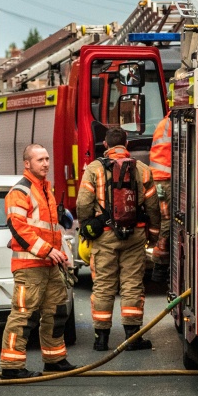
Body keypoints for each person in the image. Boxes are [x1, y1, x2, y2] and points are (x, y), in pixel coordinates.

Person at [77, 126, 160, 352]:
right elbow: (153, 206)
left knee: (103, 285)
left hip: (104, 236)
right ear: (127, 144)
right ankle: (133, 339)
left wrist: (86, 227)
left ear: (105, 144)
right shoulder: (142, 169)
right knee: (132, 285)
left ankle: (101, 339)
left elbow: (83, 202)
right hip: (135, 235)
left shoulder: (94, 169)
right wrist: (153, 236)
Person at [0, 144, 78, 378]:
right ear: (27, 164)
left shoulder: (45, 189)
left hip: (49, 264)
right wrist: (46, 250)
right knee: (24, 316)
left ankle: (54, 360)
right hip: (30, 266)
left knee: (56, 312)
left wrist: (61, 255)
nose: (45, 163)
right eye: (40, 160)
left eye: (47, 159)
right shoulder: (20, 191)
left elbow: (50, 230)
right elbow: (18, 227)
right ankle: (12, 367)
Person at [148, 113, 172, 283]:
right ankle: (160, 265)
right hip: (165, 179)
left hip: (159, 178)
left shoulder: (164, 123)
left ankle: (160, 265)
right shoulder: (174, 124)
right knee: (167, 220)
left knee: (163, 219)